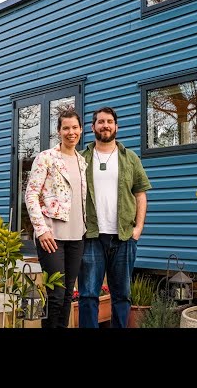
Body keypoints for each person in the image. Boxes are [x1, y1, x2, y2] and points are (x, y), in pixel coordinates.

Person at [78, 106, 152, 328]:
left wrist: (138, 229)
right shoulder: (81, 159)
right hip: (91, 235)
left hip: (123, 236)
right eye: (100, 122)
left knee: (122, 294)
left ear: (116, 126)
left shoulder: (130, 158)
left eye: (109, 121)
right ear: (92, 127)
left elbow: (140, 194)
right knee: (88, 294)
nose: (105, 125)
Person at [24, 109, 87, 328]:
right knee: (56, 295)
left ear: (81, 129)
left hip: (77, 236)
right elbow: (31, 193)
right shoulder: (46, 158)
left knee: (69, 294)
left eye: (75, 127)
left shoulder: (82, 161)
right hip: (52, 236)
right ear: (59, 131)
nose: (71, 132)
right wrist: (41, 230)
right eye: (66, 128)